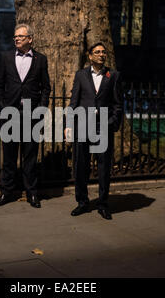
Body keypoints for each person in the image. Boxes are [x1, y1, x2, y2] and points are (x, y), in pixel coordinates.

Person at [0, 24, 51, 208]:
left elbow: (46, 88)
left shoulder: (40, 60)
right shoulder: (6, 58)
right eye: (15, 36)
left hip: (31, 115)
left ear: (30, 39)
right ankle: (6, 192)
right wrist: (2, 107)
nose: (16, 39)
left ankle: (31, 193)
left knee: (30, 156)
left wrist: (42, 108)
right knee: (9, 156)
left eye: (20, 36)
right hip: (9, 114)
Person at [65, 42, 123, 220]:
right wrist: (69, 125)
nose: (101, 54)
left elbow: (118, 104)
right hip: (83, 124)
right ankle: (82, 202)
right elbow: (74, 102)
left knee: (104, 166)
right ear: (90, 56)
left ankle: (103, 204)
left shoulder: (113, 75)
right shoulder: (81, 75)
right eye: (97, 52)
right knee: (81, 165)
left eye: (103, 52)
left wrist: (112, 122)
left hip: (102, 126)